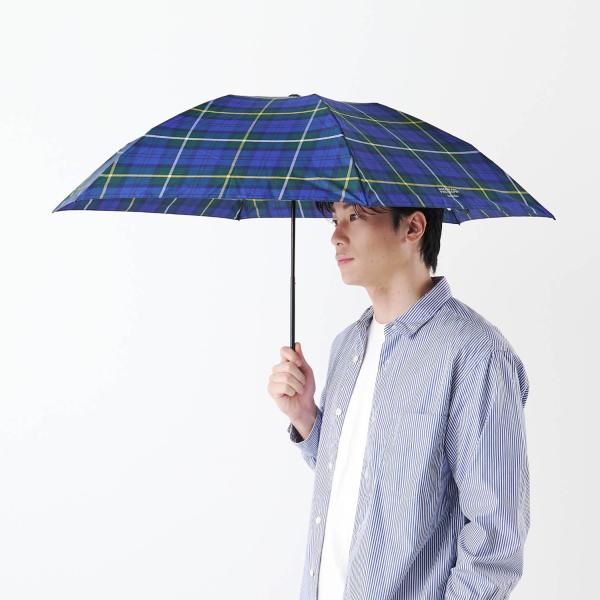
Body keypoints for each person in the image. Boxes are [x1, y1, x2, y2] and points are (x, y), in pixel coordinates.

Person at [266, 201, 530, 600]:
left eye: (354, 217)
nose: (336, 236)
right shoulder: (347, 345)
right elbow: (360, 481)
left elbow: (496, 537)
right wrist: (305, 417)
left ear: (413, 228)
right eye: (334, 219)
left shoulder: (477, 355)